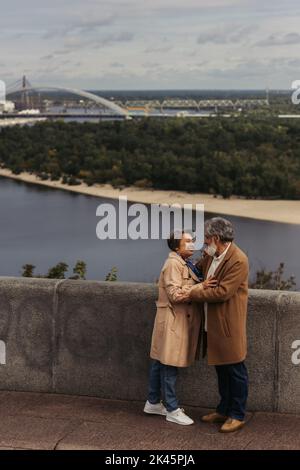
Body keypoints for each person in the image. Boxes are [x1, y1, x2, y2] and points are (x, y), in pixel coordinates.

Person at [180, 217, 249, 433]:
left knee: (235, 370)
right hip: (212, 323)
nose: (203, 243)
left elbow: (222, 292)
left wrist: (193, 291)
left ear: (216, 238)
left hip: (228, 325)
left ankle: (237, 415)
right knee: (221, 369)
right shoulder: (211, 256)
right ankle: (223, 409)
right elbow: (197, 272)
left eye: (206, 239)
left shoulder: (238, 260)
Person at [143, 230, 217, 425]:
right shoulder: (173, 264)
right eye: (187, 242)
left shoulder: (184, 262)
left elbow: (195, 274)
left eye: (193, 241)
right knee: (169, 363)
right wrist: (202, 287)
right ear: (176, 247)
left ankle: (152, 402)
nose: (192, 244)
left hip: (173, 320)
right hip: (173, 320)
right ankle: (172, 409)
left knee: (161, 361)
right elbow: (175, 295)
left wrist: (208, 256)